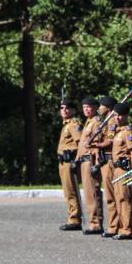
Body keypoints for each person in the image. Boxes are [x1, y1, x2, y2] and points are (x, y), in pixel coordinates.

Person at [109, 103, 132, 240]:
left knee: (125, 199)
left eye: (120, 115)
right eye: (115, 115)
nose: (117, 118)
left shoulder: (127, 132)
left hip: (124, 169)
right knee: (119, 198)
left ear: (126, 116)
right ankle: (122, 228)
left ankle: (127, 229)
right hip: (117, 168)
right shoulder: (118, 131)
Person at [76, 97, 104, 234]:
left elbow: (97, 144)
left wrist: (97, 163)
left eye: (89, 107)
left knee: (93, 192)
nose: (86, 109)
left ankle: (96, 223)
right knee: (88, 193)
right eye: (84, 107)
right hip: (84, 161)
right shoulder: (88, 122)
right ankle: (93, 221)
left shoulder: (96, 122)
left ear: (95, 108)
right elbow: (82, 144)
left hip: (91, 160)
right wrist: (77, 159)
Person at [95, 96, 119, 238]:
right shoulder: (106, 120)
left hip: (110, 161)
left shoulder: (111, 121)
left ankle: (114, 226)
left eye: (101, 105)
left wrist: (96, 145)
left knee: (111, 195)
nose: (99, 108)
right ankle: (114, 225)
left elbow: (110, 141)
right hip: (105, 160)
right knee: (110, 195)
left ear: (108, 107)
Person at [56, 98, 82, 231]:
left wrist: (76, 160)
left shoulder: (73, 124)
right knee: (67, 191)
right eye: (62, 108)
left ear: (73, 110)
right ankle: (72, 216)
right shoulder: (66, 124)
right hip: (63, 161)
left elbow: (80, 142)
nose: (64, 110)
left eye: (67, 108)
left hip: (69, 161)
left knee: (71, 191)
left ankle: (75, 219)